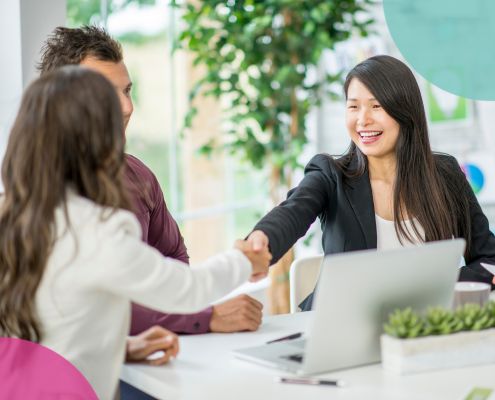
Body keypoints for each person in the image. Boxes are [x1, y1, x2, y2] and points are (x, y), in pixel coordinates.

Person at [0, 66, 271, 399]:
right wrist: (244, 261)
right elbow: (188, 289)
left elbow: (48, 329)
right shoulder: (96, 231)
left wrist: (121, 347)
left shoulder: (12, 218)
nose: (126, 111)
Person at [37, 25, 263, 339]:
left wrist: (135, 343)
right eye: (106, 93)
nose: (127, 108)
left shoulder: (138, 176)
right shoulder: (43, 193)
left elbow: (174, 262)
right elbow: (95, 302)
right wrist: (205, 314)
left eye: (127, 90)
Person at [247, 55, 495, 311]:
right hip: (339, 326)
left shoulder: (445, 175)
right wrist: (262, 238)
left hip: (419, 327)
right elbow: (293, 212)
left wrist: (442, 285)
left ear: (404, 111)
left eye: (376, 106)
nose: (362, 120)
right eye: (353, 107)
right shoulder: (330, 175)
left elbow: (489, 258)